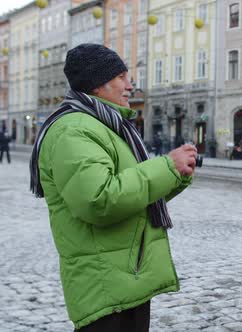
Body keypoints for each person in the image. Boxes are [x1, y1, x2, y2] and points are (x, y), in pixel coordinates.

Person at [28, 44, 197, 332]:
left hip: (125, 275)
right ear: (97, 84)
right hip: (104, 284)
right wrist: (166, 167)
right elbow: (100, 200)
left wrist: (175, 173)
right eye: (121, 77)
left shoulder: (107, 126)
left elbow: (134, 196)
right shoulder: (74, 130)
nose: (130, 85)